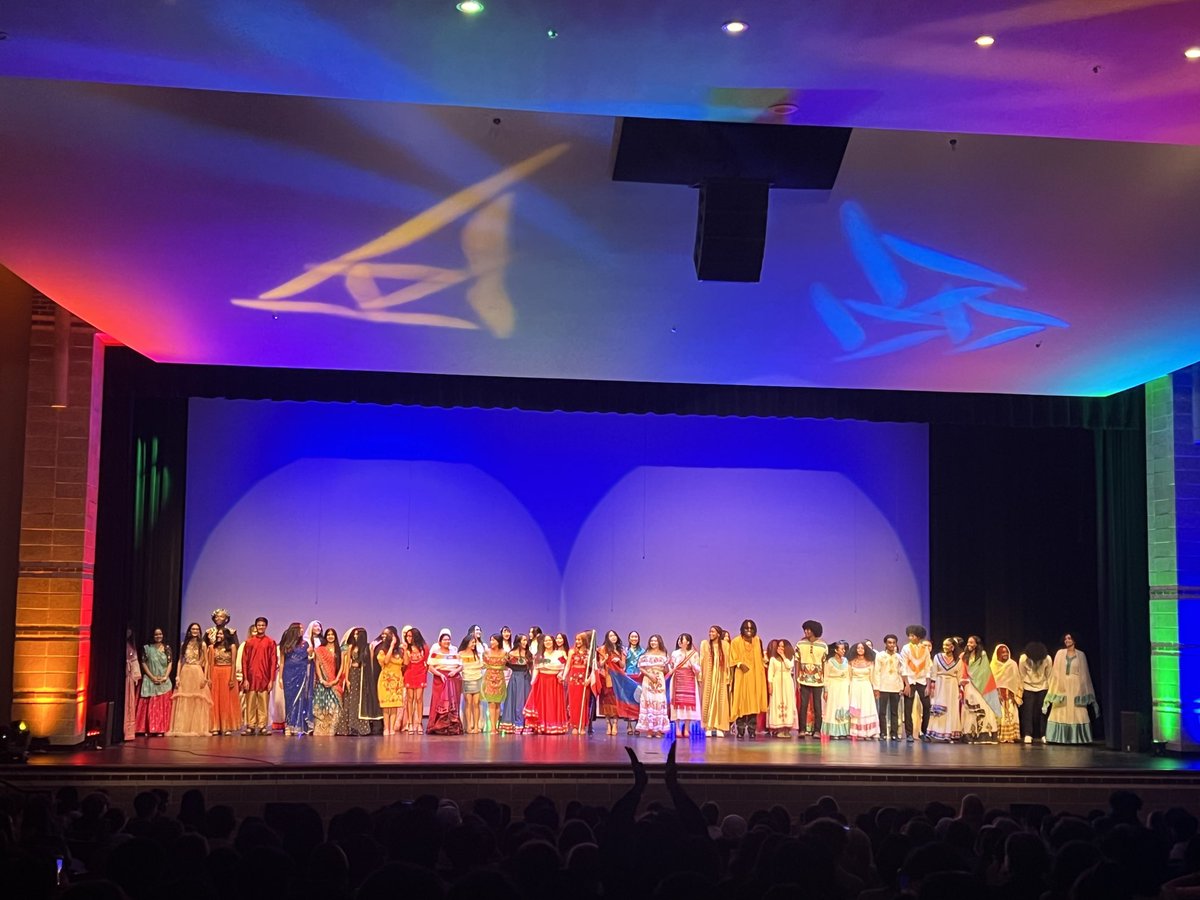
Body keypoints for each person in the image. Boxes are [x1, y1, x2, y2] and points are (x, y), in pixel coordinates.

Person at [1044, 633, 1099, 744]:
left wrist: (1083, 690)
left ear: (1074, 640)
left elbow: (1085, 674)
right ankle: (1057, 737)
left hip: (1076, 687)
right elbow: (1055, 673)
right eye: (1065, 639)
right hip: (1062, 686)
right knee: (1060, 710)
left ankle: (1077, 738)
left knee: (1077, 712)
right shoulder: (1060, 653)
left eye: (1069, 638)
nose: (1067, 640)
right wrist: (1055, 689)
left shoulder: (1081, 655)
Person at [336, 627, 382, 736]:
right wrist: (346, 679)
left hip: (362, 676)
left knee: (360, 701)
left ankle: (360, 727)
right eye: (355, 634)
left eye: (357, 635)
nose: (355, 636)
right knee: (350, 699)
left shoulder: (367, 647)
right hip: (353, 674)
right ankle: (349, 727)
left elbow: (370, 663)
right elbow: (348, 664)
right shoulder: (351, 647)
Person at [169, 622, 212, 736]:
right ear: (189, 630)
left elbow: (207, 662)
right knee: (184, 699)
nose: (195, 631)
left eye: (197, 629)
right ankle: (183, 727)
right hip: (185, 672)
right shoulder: (184, 644)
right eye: (193, 629)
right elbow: (180, 660)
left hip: (197, 671)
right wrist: (177, 676)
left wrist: (205, 677)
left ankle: (196, 727)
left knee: (196, 699)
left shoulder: (202, 644)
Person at [729, 619, 767, 739]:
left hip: (755, 676)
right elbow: (732, 658)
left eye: (751, 628)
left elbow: (761, 657)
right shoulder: (735, 641)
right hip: (742, 676)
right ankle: (740, 730)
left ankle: (751, 730)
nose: (749, 631)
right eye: (746, 628)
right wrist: (739, 664)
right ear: (742, 629)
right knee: (741, 703)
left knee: (754, 704)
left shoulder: (757, 641)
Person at [239, 617, 277, 736]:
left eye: (262, 625)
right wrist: (245, 678)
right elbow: (244, 661)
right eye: (258, 625)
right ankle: (250, 725)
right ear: (256, 626)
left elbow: (273, 662)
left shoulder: (270, 642)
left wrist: (271, 680)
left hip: (264, 678)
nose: (260, 627)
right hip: (251, 678)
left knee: (263, 703)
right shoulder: (249, 642)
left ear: (266, 626)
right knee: (250, 703)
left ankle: (262, 726)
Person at [524, 633, 568, 734]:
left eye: (549, 640)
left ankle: (554, 726)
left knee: (553, 704)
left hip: (555, 682)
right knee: (542, 703)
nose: (548, 642)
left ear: (553, 642)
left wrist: (561, 674)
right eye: (545, 641)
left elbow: (564, 666)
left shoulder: (559, 654)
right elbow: (536, 668)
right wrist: (533, 680)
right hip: (542, 681)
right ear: (543, 643)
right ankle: (541, 726)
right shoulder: (539, 655)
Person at [926, 637, 967, 742]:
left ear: (953, 647)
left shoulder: (958, 660)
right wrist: (932, 687)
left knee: (951, 709)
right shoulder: (937, 657)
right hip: (940, 683)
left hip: (952, 686)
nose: (945, 647)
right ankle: (934, 732)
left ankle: (949, 733)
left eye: (947, 645)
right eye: (944, 645)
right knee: (939, 707)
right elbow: (934, 673)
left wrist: (961, 689)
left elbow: (959, 675)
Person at [962, 635, 1000, 742]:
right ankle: (970, 733)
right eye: (968, 642)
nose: (969, 644)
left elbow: (984, 670)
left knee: (983, 707)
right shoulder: (965, 655)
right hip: (969, 684)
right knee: (970, 708)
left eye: (971, 643)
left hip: (980, 684)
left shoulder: (982, 654)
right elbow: (964, 670)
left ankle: (984, 734)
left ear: (977, 644)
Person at [137, 627, 174, 736]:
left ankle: (161, 729)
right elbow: (143, 663)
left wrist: (165, 677)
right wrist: (152, 677)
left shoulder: (167, 648)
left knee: (162, 707)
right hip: (150, 680)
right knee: (151, 706)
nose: (158, 636)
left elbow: (170, 663)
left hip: (164, 681)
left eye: (160, 634)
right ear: (152, 636)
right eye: (156, 634)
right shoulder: (147, 648)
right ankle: (149, 729)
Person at [427, 628, 465, 735]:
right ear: (440, 641)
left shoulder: (454, 651)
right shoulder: (435, 652)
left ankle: (452, 726)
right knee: (438, 701)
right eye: (444, 640)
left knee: (453, 702)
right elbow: (430, 667)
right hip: (440, 679)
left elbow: (461, 666)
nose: (447, 642)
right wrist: (439, 674)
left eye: (448, 639)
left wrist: (455, 671)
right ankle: (438, 726)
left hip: (453, 678)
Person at [795, 620, 828, 738]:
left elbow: (824, 663)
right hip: (803, 679)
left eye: (809, 629)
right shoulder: (800, 644)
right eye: (805, 629)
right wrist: (797, 679)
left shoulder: (823, 645)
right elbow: (797, 662)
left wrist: (825, 680)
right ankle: (802, 729)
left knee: (817, 705)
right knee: (803, 705)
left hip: (818, 680)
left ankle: (817, 730)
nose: (806, 632)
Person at [279, 622, 312, 735]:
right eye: (300, 628)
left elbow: (308, 659)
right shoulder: (286, 644)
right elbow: (282, 662)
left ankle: (298, 725)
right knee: (289, 700)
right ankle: (288, 725)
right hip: (288, 675)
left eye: (302, 628)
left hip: (301, 674)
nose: (302, 630)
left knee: (300, 699)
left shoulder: (305, 644)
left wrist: (311, 655)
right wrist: (280, 678)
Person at [900, 624, 932, 742]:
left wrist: (928, 685)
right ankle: (909, 733)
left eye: (912, 636)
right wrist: (906, 684)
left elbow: (928, 667)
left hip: (922, 680)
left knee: (927, 706)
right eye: (909, 635)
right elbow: (903, 666)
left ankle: (924, 731)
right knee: (908, 707)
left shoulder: (925, 649)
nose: (910, 638)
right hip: (910, 680)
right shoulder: (906, 648)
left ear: (918, 637)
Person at [207, 627, 241, 735]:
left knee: (227, 700)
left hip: (227, 672)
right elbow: (210, 663)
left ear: (226, 635)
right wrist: (209, 678)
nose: (218, 636)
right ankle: (215, 726)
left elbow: (233, 663)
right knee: (215, 700)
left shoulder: (232, 647)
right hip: (215, 673)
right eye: (218, 634)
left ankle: (226, 726)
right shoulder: (212, 647)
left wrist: (232, 678)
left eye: (221, 634)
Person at [596, 630, 631, 735]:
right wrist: (605, 659)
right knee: (606, 701)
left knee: (615, 701)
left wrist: (618, 660)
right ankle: (608, 724)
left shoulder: (621, 650)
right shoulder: (602, 649)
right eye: (611, 636)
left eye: (615, 635)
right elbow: (600, 665)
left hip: (618, 678)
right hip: (606, 677)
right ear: (607, 637)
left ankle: (615, 723)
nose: (613, 637)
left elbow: (623, 665)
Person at [699, 625, 731, 737]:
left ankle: (719, 726)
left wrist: (727, 675)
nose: (710, 633)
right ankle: (708, 726)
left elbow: (728, 661)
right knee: (708, 698)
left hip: (720, 676)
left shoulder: (725, 645)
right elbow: (701, 660)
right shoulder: (705, 645)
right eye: (710, 631)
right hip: (709, 676)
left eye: (713, 631)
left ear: (718, 633)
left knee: (720, 699)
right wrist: (700, 675)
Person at [635, 635, 670, 738]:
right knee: (648, 702)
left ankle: (659, 730)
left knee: (659, 702)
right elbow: (641, 668)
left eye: (655, 641)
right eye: (651, 641)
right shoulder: (645, 654)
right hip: (648, 679)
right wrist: (649, 675)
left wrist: (667, 665)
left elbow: (666, 670)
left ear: (659, 642)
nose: (653, 642)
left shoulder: (664, 654)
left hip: (659, 679)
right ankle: (649, 729)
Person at [1019, 641, 1052, 744]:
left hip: (1043, 687)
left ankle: (1043, 734)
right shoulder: (1023, 659)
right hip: (1028, 687)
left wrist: (1050, 691)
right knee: (1027, 712)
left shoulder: (1047, 659)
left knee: (1043, 711)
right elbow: (1022, 675)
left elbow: (1049, 675)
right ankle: (1028, 734)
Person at [499, 633, 533, 734]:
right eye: (523, 640)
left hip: (526, 678)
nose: (525, 642)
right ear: (518, 642)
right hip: (515, 679)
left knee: (526, 701)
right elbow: (505, 665)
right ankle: (517, 724)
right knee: (516, 701)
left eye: (526, 640)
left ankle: (526, 724)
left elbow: (532, 666)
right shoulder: (511, 654)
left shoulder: (528, 653)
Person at [669, 633, 701, 737]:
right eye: (679, 639)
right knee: (677, 704)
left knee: (689, 704)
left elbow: (698, 669)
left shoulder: (694, 654)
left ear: (687, 642)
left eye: (681, 640)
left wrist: (692, 664)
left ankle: (687, 728)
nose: (679, 641)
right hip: (677, 679)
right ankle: (677, 728)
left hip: (689, 679)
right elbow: (671, 666)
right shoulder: (675, 653)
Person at [990, 643, 1023, 743]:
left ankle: (1011, 736)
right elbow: (990, 682)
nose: (1005, 654)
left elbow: (1017, 680)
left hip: (1010, 695)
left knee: (1011, 715)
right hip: (997, 696)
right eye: (1002, 652)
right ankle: (1000, 736)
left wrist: (1016, 695)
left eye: (1007, 652)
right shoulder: (993, 665)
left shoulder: (1012, 664)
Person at [848, 641, 880, 739]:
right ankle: (857, 731)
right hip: (855, 686)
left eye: (862, 648)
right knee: (856, 707)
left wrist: (876, 689)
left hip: (866, 686)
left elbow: (873, 677)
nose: (860, 650)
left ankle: (870, 732)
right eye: (858, 648)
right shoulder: (851, 662)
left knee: (867, 708)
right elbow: (849, 677)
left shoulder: (870, 662)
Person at [873, 633, 903, 741]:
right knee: (882, 712)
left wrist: (901, 687)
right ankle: (883, 733)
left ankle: (894, 733)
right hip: (883, 687)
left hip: (895, 687)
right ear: (885, 643)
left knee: (894, 712)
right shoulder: (880, 655)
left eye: (894, 643)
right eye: (889, 642)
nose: (892, 645)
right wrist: (876, 688)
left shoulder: (898, 657)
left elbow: (901, 673)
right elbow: (876, 672)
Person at [376, 626, 405, 735]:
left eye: (386, 634)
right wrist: (391, 646)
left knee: (394, 706)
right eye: (383, 634)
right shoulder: (382, 650)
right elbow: (386, 661)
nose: (384, 636)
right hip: (385, 680)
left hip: (397, 680)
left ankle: (392, 728)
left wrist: (404, 649)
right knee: (386, 706)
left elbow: (405, 662)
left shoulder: (400, 650)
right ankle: (386, 728)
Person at [766, 639, 798, 737]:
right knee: (777, 702)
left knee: (788, 702)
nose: (780, 648)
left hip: (787, 682)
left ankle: (787, 729)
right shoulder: (773, 659)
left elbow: (789, 666)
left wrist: (783, 656)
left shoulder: (790, 658)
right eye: (779, 646)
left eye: (783, 646)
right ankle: (779, 729)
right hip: (776, 683)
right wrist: (770, 685)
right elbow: (770, 673)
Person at [565, 631, 594, 735]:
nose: (577, 642)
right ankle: (574, 725)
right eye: (576, 639)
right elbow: (568, 666)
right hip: (573, 680)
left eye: (580, 640)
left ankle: (582, 725)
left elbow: (594, 669)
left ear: (584, 641)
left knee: (583, 703)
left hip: (584, 681)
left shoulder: (589, 653)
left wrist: (589, 679)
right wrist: (564, 676)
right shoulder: (572, 651)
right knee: (574, 703)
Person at [821, 641, 851, 739]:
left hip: (844, 686)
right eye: (841, 649)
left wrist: (849, 687)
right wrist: (826, 690)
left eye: (844, 649)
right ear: (836, 650)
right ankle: (834, 732)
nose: (844, 651)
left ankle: (843, 731)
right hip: (833, 686)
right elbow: (826, 677)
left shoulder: (846, 661)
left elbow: (848, 675)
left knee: (844, 706)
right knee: (833, 707)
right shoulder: (830, 662)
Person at [402, 627, 428, 735]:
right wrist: (405, 650)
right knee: (410, 699)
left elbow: (427, 662)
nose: (408, 638)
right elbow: (406, 663)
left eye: (410, 636)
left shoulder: (424, 647)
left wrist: (423, 674)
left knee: (419, 699)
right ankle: (410, 723)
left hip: (420, 674)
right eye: (407, 636)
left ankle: (419, 723)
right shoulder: (406, 648)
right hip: (409, 674)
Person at [481, 633, 508, 734]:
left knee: (498, 703)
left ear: (499, 641)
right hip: (489, 677)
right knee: (491, 703)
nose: (492, 642)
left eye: (494, 640)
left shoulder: (505, 653)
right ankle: (492, 727)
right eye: (491, 640)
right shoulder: (486, 652)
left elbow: (506, 664)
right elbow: (484, 664)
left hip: (500, 678)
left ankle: (496, 726)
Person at [459, 634, 484, 734]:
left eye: (475, 642)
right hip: (466, 680)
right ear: (467, 642)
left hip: (477, 679)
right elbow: (459, 666)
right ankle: (468, 726)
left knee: (476, 703)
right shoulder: (460, 654)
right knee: (468, 703)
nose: (474, 644)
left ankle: (477, 726)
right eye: (472, 642)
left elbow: (482, 665)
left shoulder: (477, 654)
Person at [623, 631, 645, 735]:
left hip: (639, 677)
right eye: (632, 636)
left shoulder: (643, 651)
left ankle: (637, 725)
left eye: (636, 636)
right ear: (629, 638)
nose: (634, 638)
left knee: (637, 700)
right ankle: (628, 725)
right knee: (629, 700)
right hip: (628, 677)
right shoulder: (625, 650)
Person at [124, 626, 141, 741]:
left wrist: (135, 675)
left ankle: (128, 730)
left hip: (129, 677)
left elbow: (134, 660)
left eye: (130, 629)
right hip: (125, 676)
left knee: (129, 701)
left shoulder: (131, 646)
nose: (128, 631)